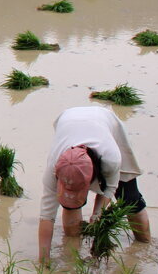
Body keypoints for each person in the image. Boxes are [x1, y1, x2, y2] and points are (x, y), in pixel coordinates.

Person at [37, 106, 151, 263]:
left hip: (104, 122)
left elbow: (110, 189)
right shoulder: (53, 169)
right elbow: (46, 217)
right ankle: (72, 255)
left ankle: (144, 245)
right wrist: (43, 262)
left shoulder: (111, 158)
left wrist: (97, 217)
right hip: (68, 120)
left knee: (129, 197)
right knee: (70, 204)